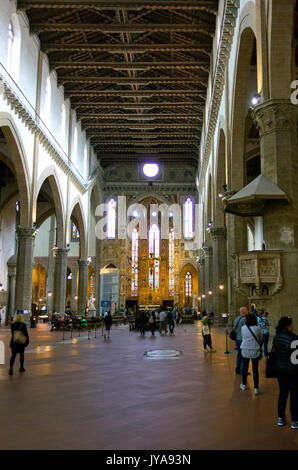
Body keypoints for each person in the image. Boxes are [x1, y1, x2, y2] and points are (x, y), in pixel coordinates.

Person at [273, 317, 298, 428]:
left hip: (280, 370)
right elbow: (295, 360)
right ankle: (295, 420)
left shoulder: (277, 337)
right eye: (292, 324)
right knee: (294, 395)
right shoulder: (294, 339)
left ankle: (281, 418)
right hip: (292, 372)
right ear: (288, 326)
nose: (293, 326)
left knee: (282, 394)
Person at [240, 314, 262, 395]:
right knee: (255, 369)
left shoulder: (243, 328)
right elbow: (260, 338)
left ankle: (244, 384)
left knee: (244, 368)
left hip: (245, 349)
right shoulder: (257, 328)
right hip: (254, 349)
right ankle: (256, 388)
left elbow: (243, 337)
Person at [234, 306, 249, 375]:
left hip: (237, 338)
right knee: (244, 356)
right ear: (243, 311)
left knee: (239, 355)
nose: (247, 311)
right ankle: (243, 370)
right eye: (246, 310)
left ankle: (237, 369)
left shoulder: (237, 318)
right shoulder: (244, 319)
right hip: (243, 339)